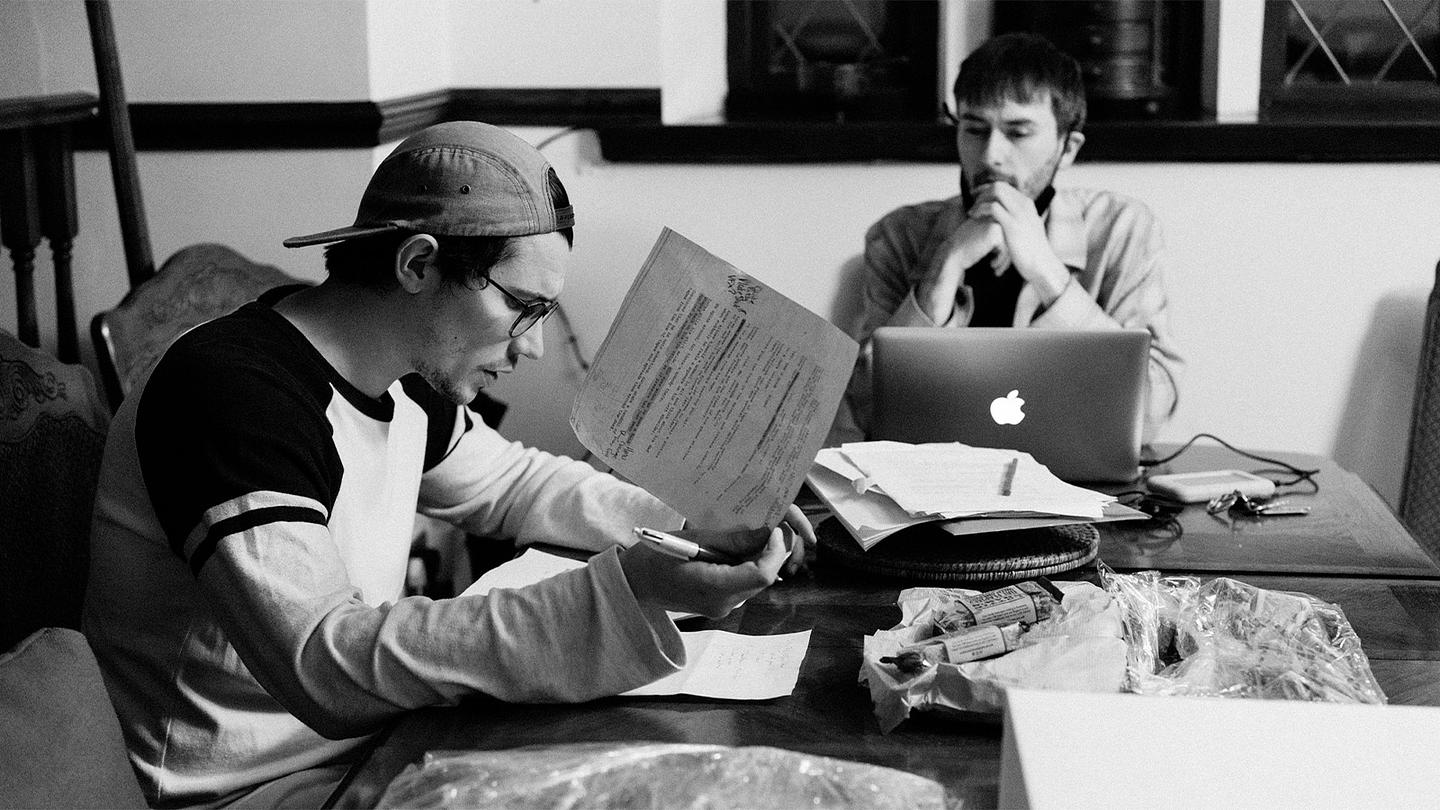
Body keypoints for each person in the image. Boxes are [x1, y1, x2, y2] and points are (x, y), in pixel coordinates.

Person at [83, 121, 815, 809]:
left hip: (377, 751)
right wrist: (630, 594)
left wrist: (692, 520)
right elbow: (320, 662)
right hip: (249, 793)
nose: (531, 347)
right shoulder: (231, 391)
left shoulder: (401, 374)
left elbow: (511, 484)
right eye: (522, 307)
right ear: (418, 264)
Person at [830, 32, 1182, 446]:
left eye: (1018, 133)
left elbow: (1152, 412)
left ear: (1067, 149)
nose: (991, 155)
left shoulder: (1122, 229)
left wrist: (1046, 271)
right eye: (975, 129)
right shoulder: (898, 236)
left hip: (1079, 488)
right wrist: (943, 271)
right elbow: (864, 415)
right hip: (934, 489)